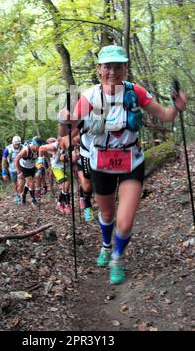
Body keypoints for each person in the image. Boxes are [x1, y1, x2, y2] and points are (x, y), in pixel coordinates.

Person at [59, 45, 187, 285]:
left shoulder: (136, 92)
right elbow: (66, 135)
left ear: (125, 69)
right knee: (107, 213)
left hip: (131, 161)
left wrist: (177, 107)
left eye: (118, 66)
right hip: (100, 162)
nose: (113, 71)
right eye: (107, 66)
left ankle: (118, 257)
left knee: (125, 221)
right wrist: (64, 123)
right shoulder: (89, 97)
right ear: (99, 70)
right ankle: (106, 246)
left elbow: (166, 116)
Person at [14, 137, 42, 207]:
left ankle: (23, 195)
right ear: (34, 144)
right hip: (24, 167)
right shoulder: (26, 150)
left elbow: (39, 159)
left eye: (39, 146)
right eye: (37, 146)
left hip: (32, 167)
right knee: (32, 183)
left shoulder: (38, 150)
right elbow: (16, 159)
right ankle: (33, 199)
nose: (38, 148)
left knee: (29, 183)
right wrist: (19, 172)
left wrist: (39, 164)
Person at [1, 136, 23, 203]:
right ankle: (17, 195)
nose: (17, 145)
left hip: (22, 168)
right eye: (16, 144)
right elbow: (3, 161)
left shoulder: (23, 147)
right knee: (15, 183)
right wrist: (4, 172)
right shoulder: (7, 149)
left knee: (21, 183)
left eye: (18, 144)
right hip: (12, 169)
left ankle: (21, 195)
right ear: (12, 143)